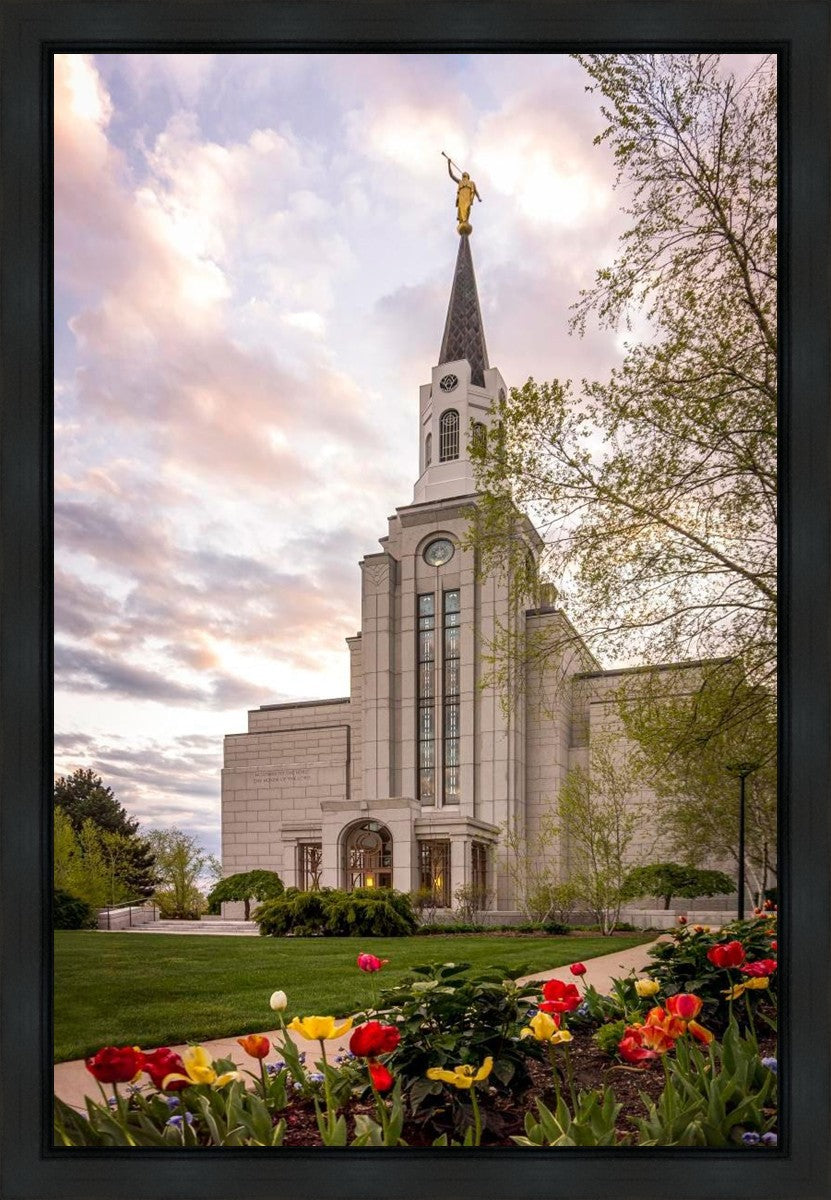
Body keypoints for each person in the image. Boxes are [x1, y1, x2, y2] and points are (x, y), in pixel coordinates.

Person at [446, 158, 481, 227]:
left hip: (468, 198)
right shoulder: (460, 182)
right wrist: (449, 164)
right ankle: (463, 222)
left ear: (468, 176)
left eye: (465, 174)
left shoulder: (471, 183)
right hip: (461, 198)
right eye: (463, 174)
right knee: (462, 211)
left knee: (467, 208)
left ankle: (465, 221)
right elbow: (451, 175)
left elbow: (476, 191)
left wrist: (479, 197)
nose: (464, 174)